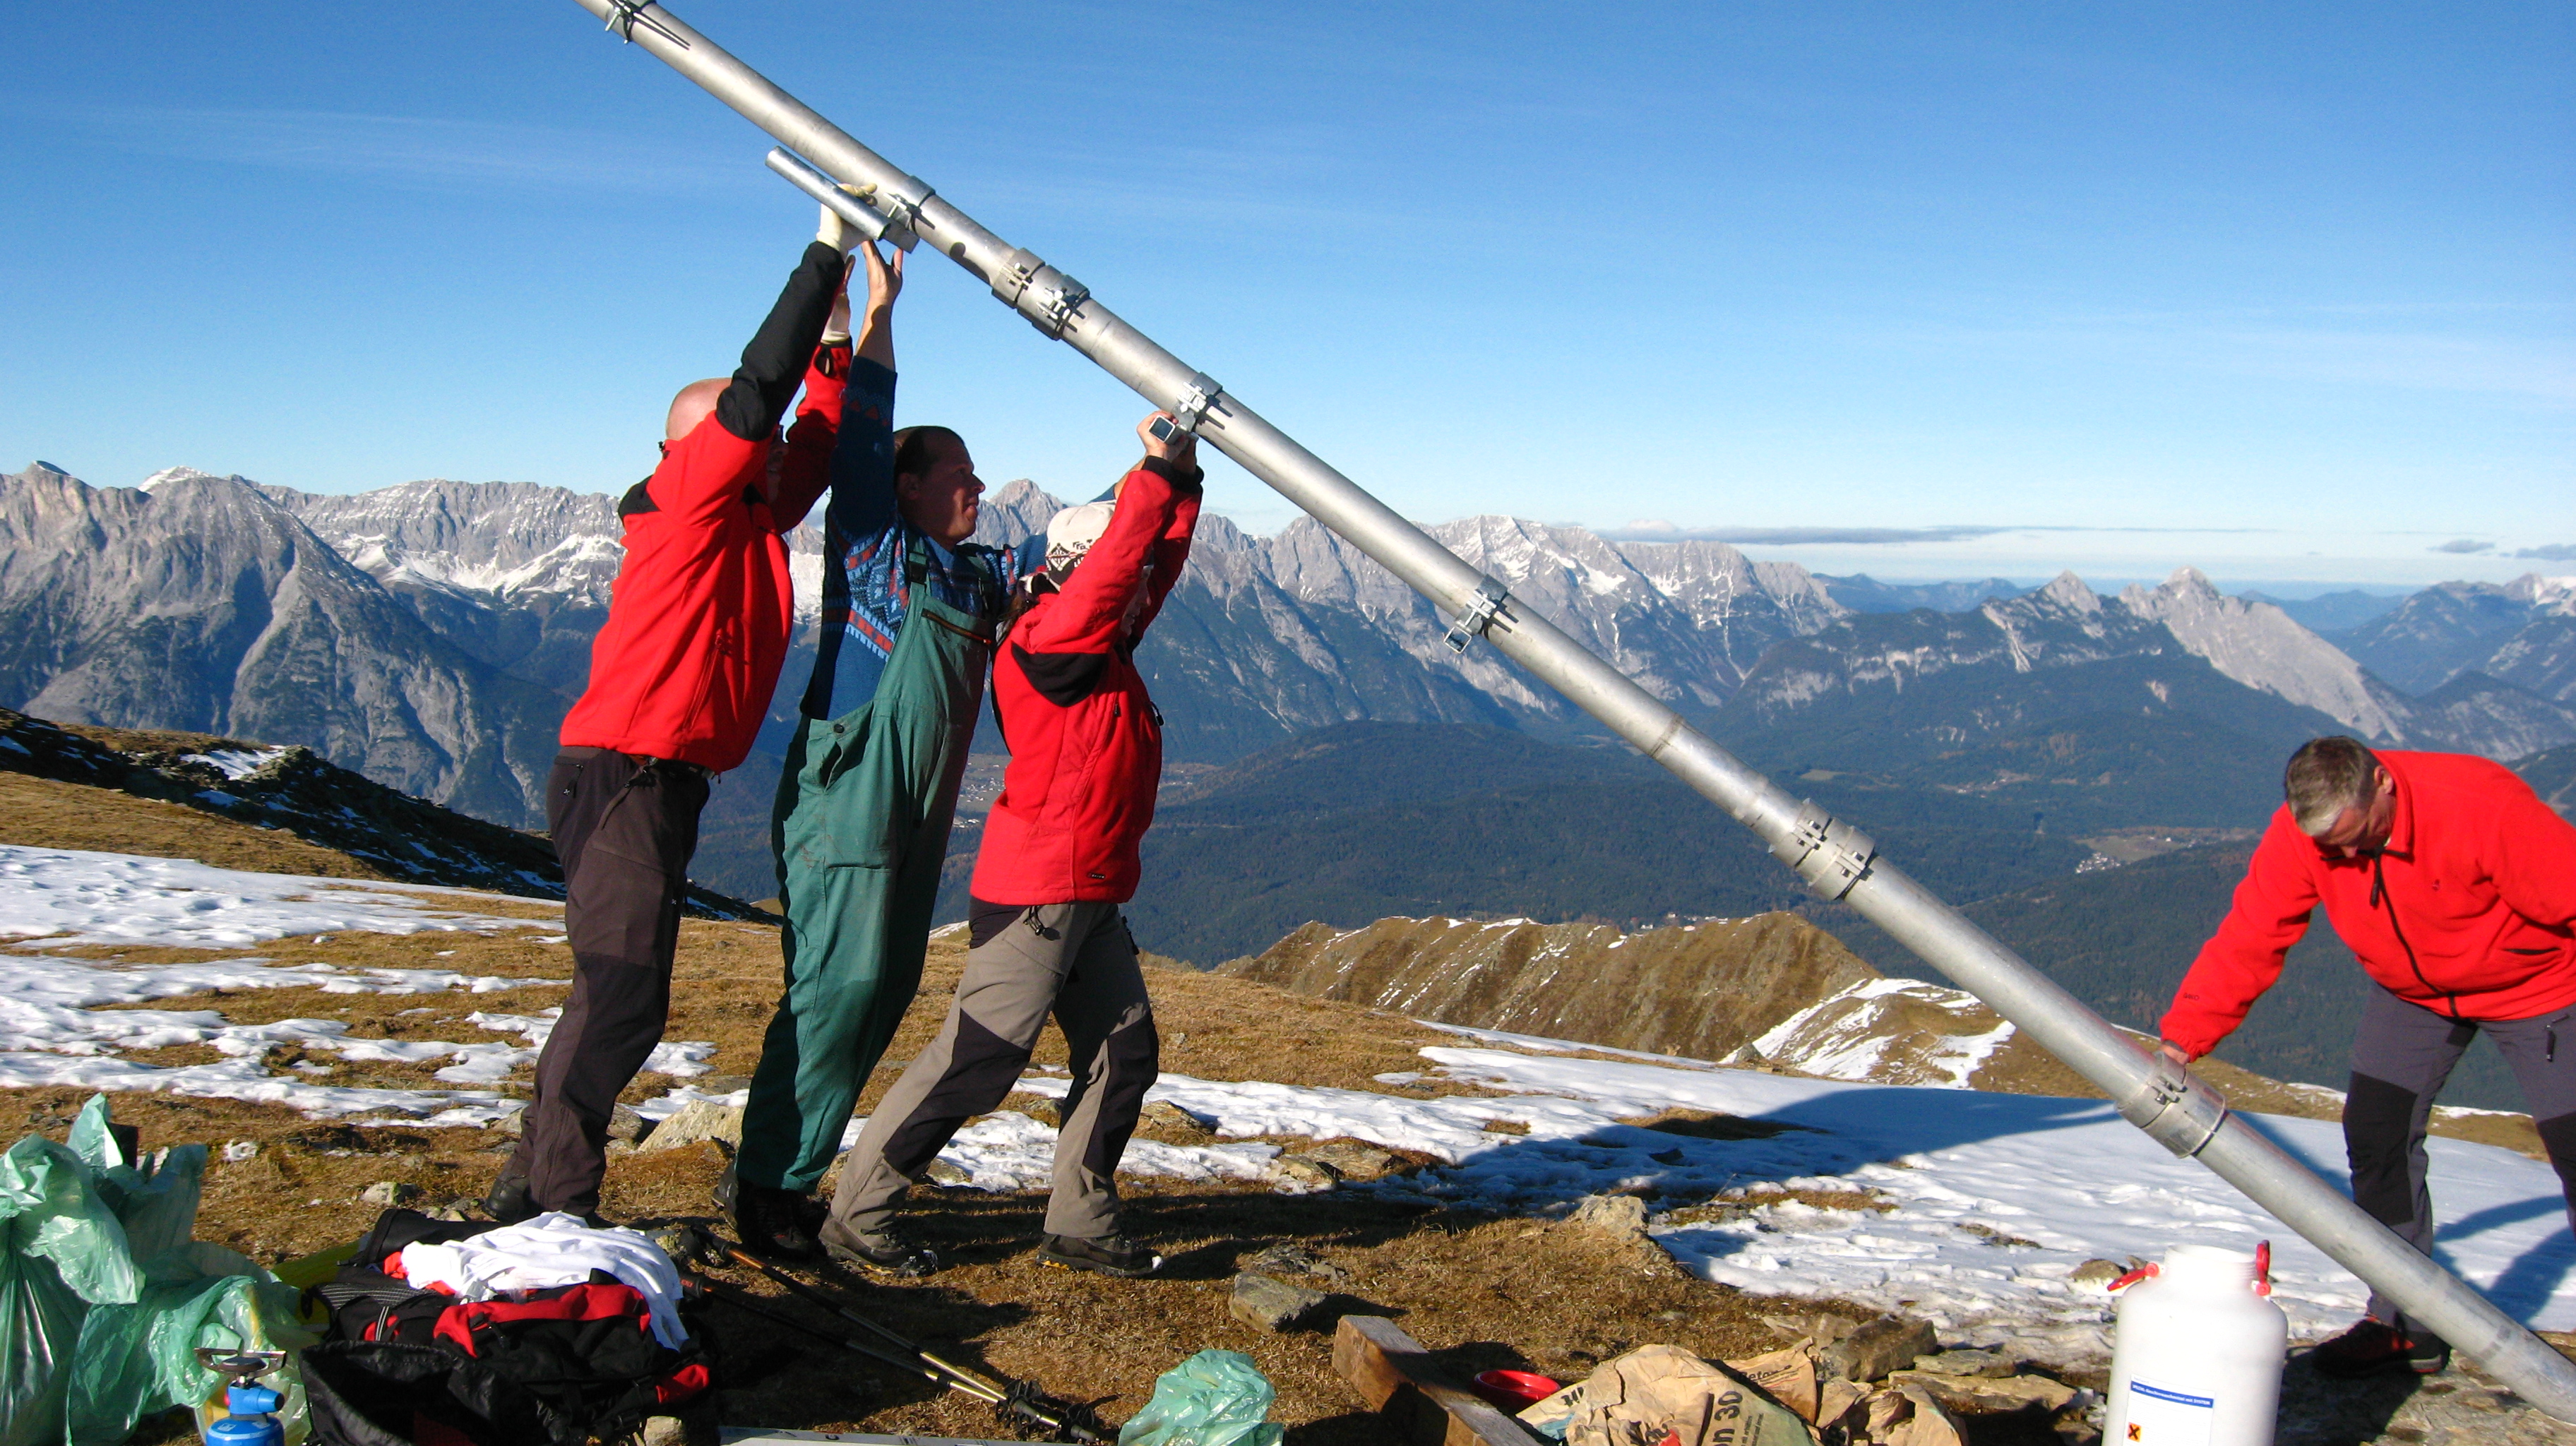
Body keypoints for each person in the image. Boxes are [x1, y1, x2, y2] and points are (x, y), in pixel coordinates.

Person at [483, 201, 886, 1224]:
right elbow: (758, 394)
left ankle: (529, 1185)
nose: (764, 448)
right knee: (622, 995)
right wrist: (824, 252)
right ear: (696, 447)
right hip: (627, 773)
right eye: (744, 441)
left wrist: (843, 335)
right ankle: (557, 1207)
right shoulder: (690, 504)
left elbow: (810, 445)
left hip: (650, 779)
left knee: (611, 992)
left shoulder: (742, 511)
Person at [812, 414, 1204, 1277]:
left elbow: (1148, 569)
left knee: (1124, 1050)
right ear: (1078, 569)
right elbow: (1117, 572)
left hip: (1090, 889)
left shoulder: (1100, 637)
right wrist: (1148, 479)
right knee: (980, 1056)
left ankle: (1081, 1219)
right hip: (1038, 891)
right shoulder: (1050, 639)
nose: (1140, 588)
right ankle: (859, 1211)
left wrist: (1181, 478)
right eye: (1123, 573)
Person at [722, 239, 1022, 1259]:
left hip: (913, 817)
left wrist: (1158, 481)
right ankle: (767, 1188)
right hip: (849, 805)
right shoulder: (873, 550)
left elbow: (1073, 572)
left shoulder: (978, 574)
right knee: (836, 989)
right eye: (961, 474)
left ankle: (794, 1172)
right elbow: (863, 428)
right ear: (908, 488)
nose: (979, 487)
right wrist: (878, 315)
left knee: (884, 988)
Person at [2158, 735, 2576, 1377]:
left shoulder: (2479, 805)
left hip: (2539, 989)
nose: (2350, 856)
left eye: (2360, 837)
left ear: (2383, 781)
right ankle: (2405, 1321)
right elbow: (2254, 932)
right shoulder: (2304, 836)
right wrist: (2185, 1036)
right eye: (2334, 848)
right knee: (2377, 1136)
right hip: (2413, 996)